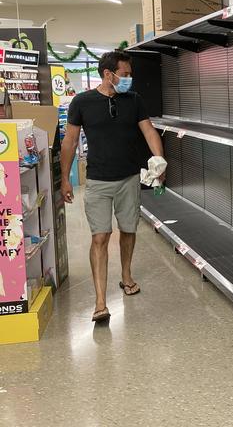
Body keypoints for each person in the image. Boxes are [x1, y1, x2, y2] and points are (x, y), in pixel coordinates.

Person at [60, 50, 164, 322]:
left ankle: (126, 276)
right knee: (100, 237)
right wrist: (64, 180)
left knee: (128, 230)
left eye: (130, 74)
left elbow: (149, 131)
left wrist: (159, 161)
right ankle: (100, 302)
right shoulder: (82, 102)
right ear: (109, 74)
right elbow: (69, 142)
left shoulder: (134, 100)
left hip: (129, 178)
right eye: (125, 74)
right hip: (97, 181)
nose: (129, 79)